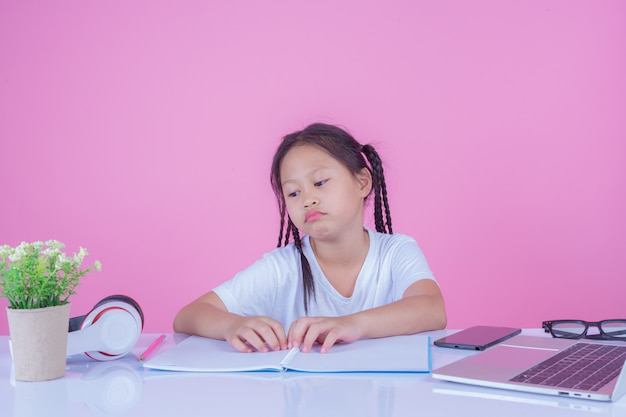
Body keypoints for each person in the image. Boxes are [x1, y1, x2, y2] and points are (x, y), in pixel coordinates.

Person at [173, 123, 446, 354]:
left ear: (362, 182)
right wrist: (230, 326)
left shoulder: (396, 251)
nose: (308, 199)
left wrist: (352, 324)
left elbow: (432, 309)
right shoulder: (283, 266)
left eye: (320, 182)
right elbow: (188, 316)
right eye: (293, 193)